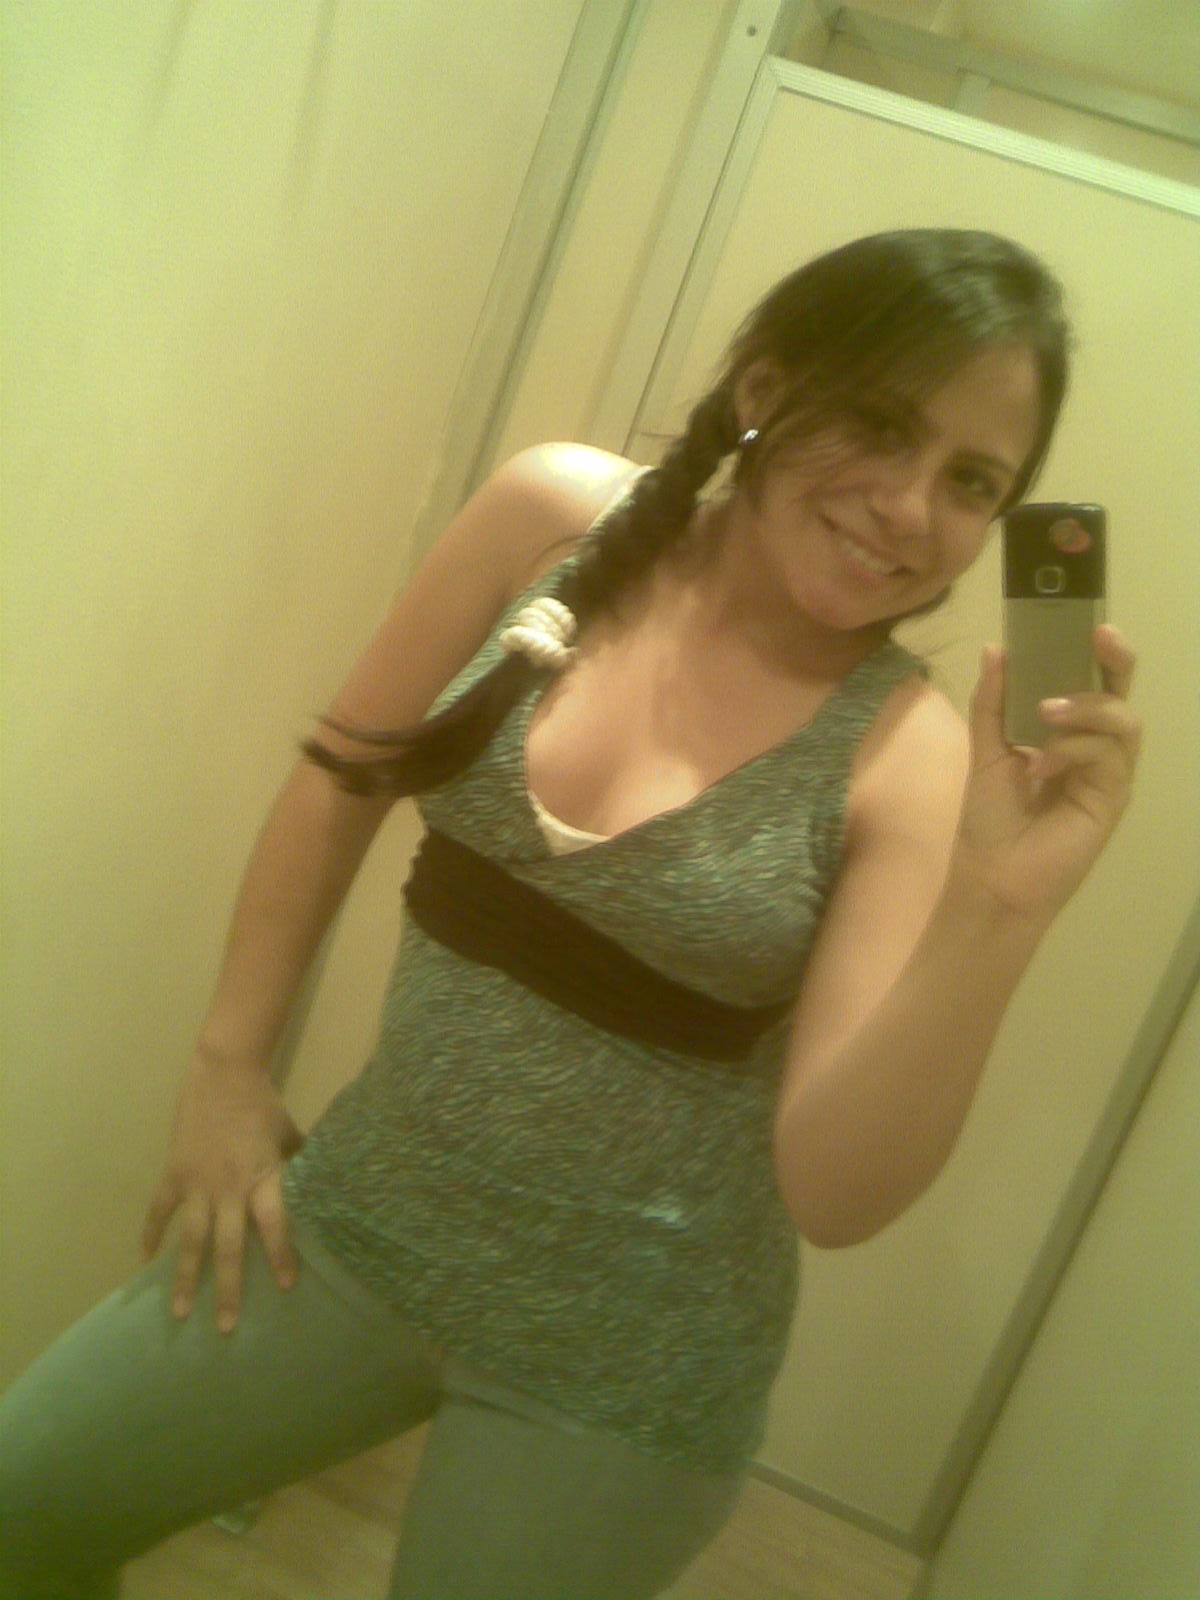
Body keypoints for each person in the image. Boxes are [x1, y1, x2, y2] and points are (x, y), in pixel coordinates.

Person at [0, 229, 1141, 1599]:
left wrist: (997, 909)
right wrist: (228, 1065)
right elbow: (342, 777)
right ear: (767, 389)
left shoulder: (905, 757)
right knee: (23, 1501)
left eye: (971, 482)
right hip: (359, 1225)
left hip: (624, 1370)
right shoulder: (552, 515)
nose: (909, 507)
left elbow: (834, 1196)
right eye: (883, 425)